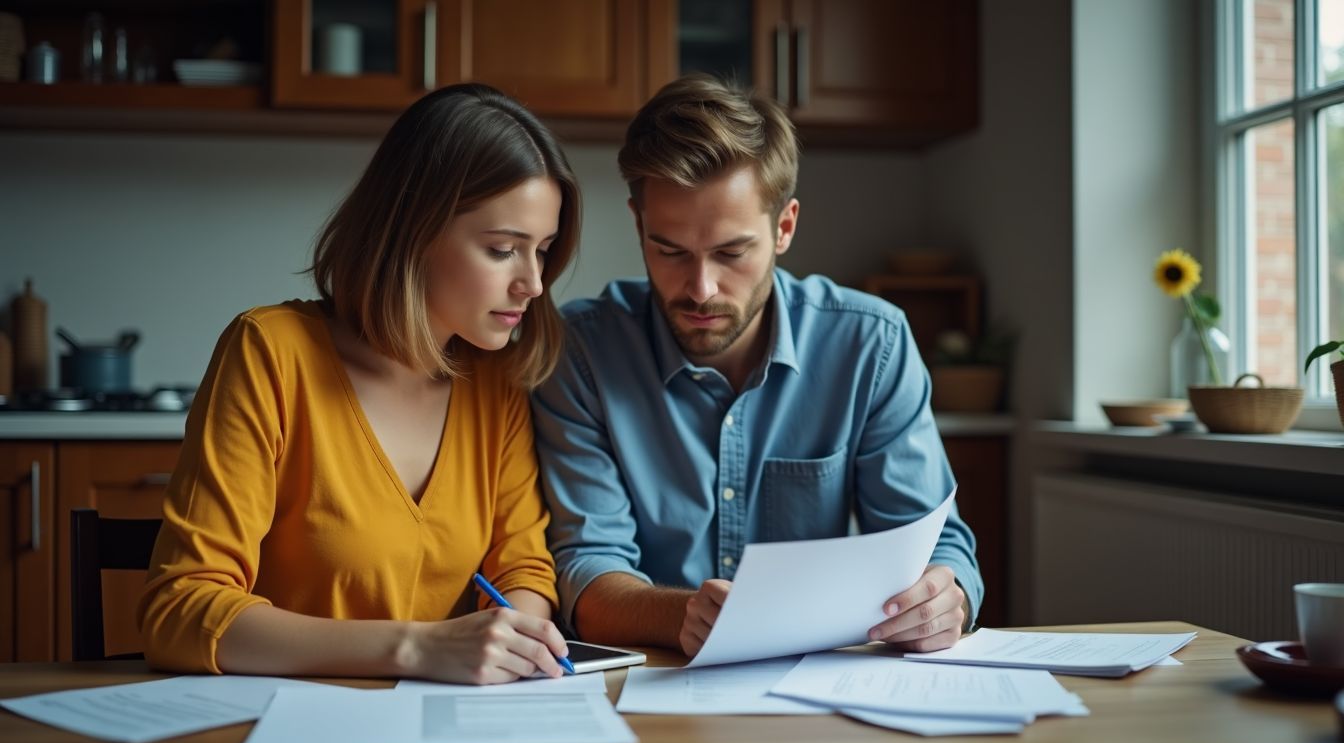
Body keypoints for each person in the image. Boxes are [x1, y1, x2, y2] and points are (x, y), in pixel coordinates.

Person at [138, 83, 581, 684]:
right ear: (414, 231)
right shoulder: (270, 353)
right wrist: (416, 648)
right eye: (503, 250)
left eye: (544, 251)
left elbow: (522, 569)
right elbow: (180, 610)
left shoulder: (495, 381)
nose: (533, 281)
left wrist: (516, 641)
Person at [532, 74, 982, 657]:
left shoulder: (871, 344)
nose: (700, 288)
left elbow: (935, 545)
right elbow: (587, 574)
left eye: (731, 252)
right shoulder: (582, 353)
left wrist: (946, 599)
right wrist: (684, 615)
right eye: (669, 251)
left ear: (784, 227)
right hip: (654, 689)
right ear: (639, 225)